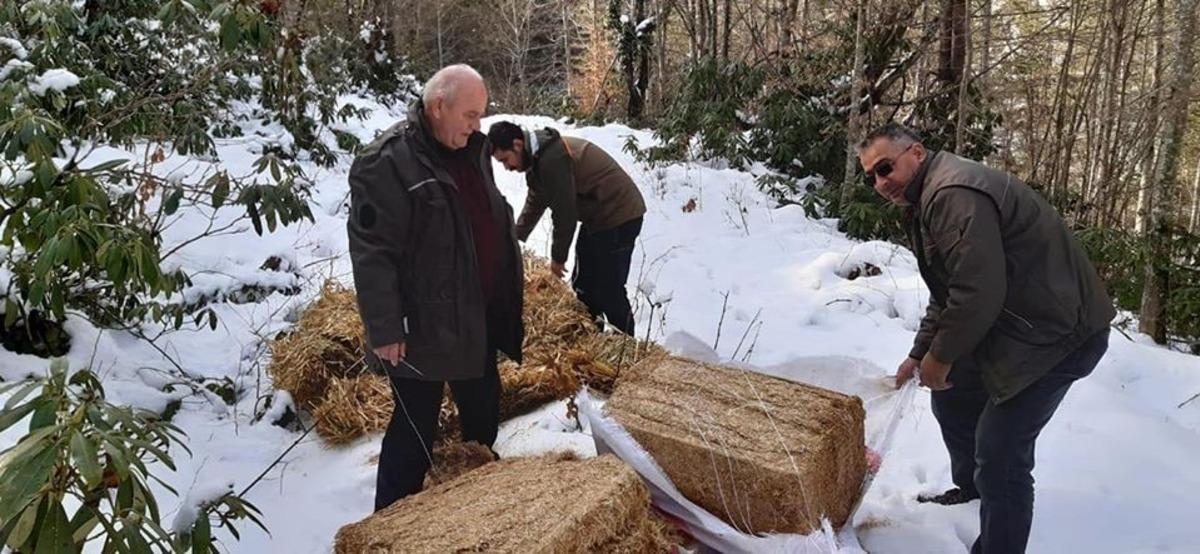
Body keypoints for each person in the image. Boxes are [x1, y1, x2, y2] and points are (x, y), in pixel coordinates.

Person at [859, 123, 1115, 554]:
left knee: (1001, 457)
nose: (881, 183)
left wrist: (941, 356)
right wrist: (921, 354)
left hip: (1058, 336)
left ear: (916, 153)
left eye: (885, 168)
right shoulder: (926, 197)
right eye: (872, 177)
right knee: (953, 395)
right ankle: (972, 492)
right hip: (1017, 323)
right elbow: (950, 289)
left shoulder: (952, 193)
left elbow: (977, 292)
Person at [346, 64, 524, 512]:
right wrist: (386, 327)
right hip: (422, 326)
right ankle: (389, 524)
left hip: (476, 315)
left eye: (481, 115)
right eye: (470, 115)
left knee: (483, 414)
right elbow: (373, 252)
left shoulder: (471, 148)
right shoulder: (387, 161)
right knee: (414, 431)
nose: (477, 126)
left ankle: (473, 506)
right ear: (438, 106)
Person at [487, 121, 646, 336]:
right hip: (598, 217)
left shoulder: (552, 159)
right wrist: (514, 237)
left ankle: (625, 343)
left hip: (619, 214)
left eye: (505, 160)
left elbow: (565, 214)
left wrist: (558, 259)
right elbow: (536, 200)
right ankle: (592, 336)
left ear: (517, 145)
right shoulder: (538, 160)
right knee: (583, 283)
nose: (507, 167)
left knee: (608, 287)